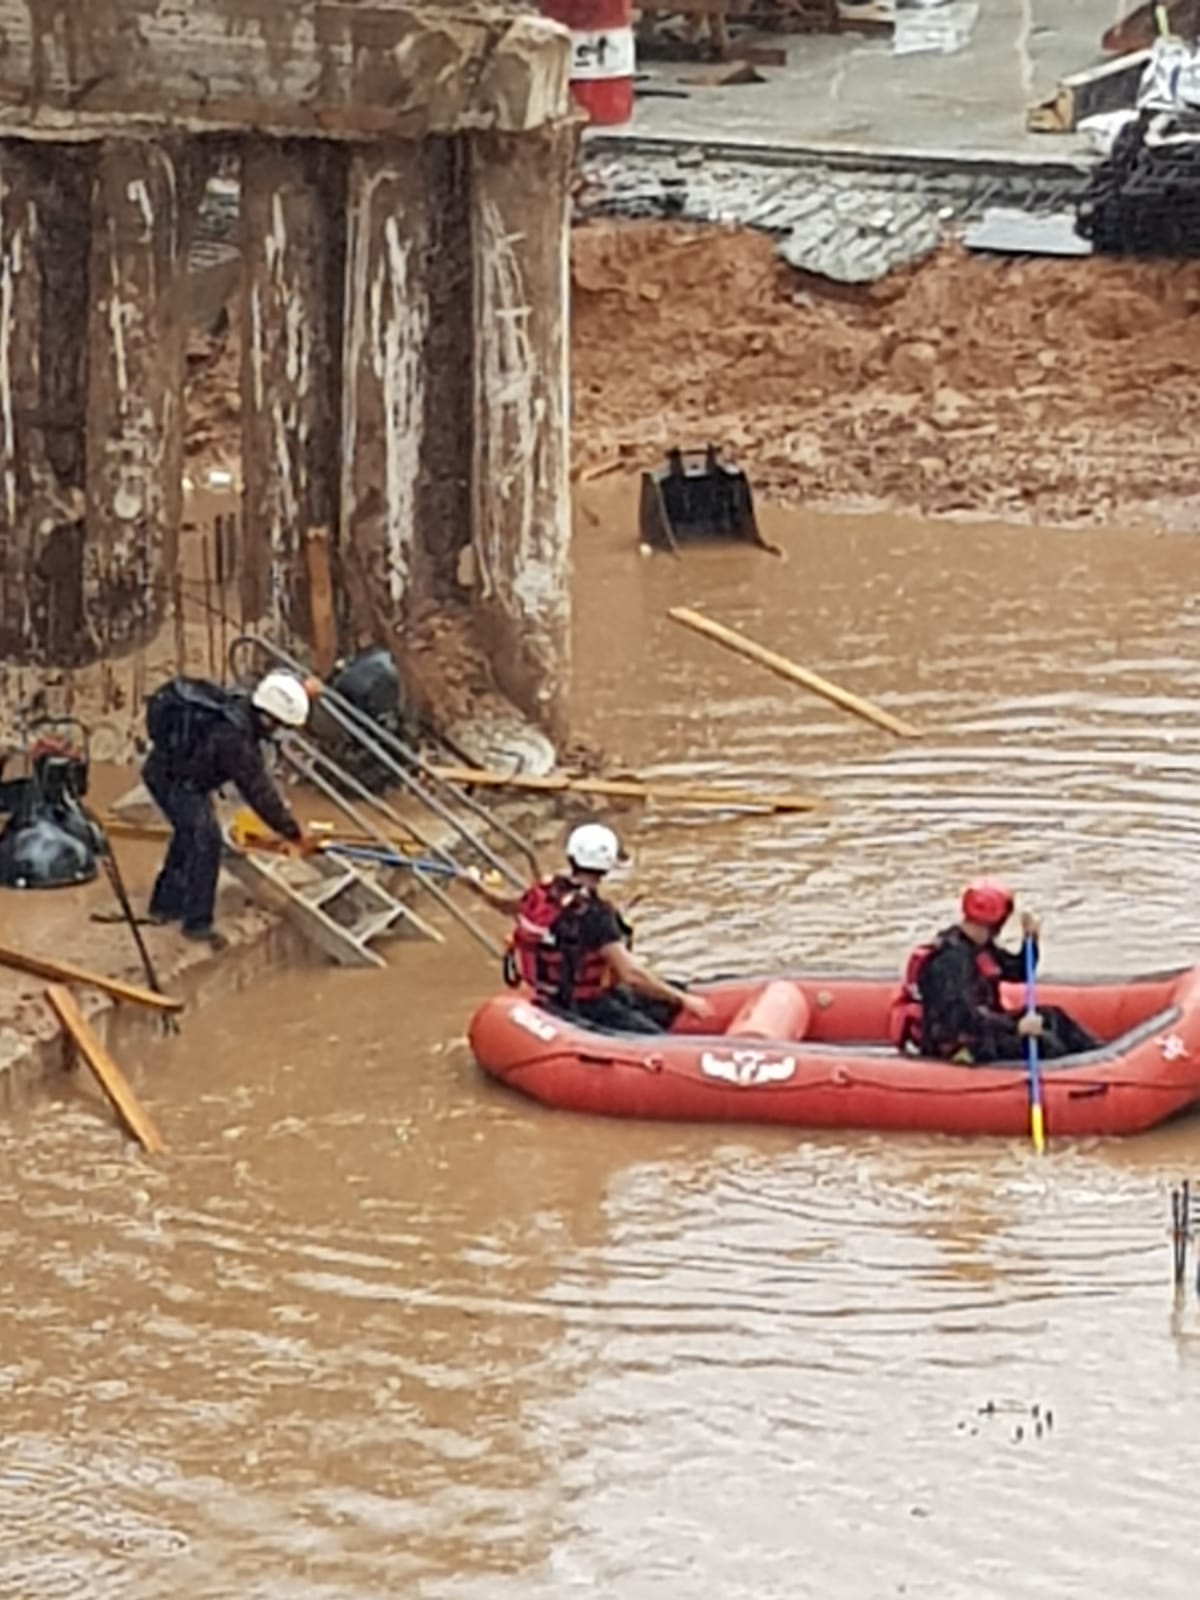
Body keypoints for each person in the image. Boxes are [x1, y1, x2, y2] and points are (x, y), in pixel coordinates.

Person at [466, 821, 714, 1034]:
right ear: (607, 864)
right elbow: (632, 975)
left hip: (555, 995)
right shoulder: (596, 914)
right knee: (657, 1036)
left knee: (656, 1002)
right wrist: (685, 1000)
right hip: (586, 1005)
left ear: (572, 856)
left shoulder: (545, 891)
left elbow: (505, 905)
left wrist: (477, 888)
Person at [142, 670, 311, 945]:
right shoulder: (234, 738)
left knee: (189, 833)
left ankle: (165, 905)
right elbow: (259, 791)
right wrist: (292, 831)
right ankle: (197, 923)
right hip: (174, 780)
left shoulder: (241, 707)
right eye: (281, 726)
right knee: (207, 840)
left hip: (178, 774)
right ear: (269, 717)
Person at [890, 878, 1099, 1064]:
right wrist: (1014, 1027)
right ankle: (1073, 1078)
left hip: (985, 1029)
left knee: (1053, 1017)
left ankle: (1099, 1058)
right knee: (1043, 1043)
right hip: (960, 1045)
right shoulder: (949, 960)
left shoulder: (980, 946)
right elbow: (962, 1018)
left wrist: (1030, 941)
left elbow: (1019, 972)